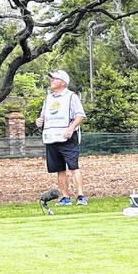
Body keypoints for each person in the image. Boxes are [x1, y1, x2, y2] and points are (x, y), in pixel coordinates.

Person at [35, 69, 88, 206]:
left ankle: (81, 196)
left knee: (73, 167)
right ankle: (65, 198)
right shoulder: (49, 98)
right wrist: (40, 120)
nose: (52, 80)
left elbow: (80, 115)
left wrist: (71, 128)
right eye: (51, 78)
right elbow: (44, 115)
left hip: (67, 138)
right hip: (51, 138)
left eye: (55, 78)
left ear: (63, 83)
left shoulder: (71, 97)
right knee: (59, 169)